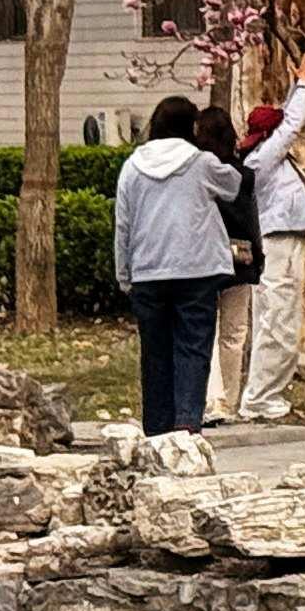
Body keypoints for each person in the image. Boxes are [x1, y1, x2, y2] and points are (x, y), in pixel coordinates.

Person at [112, 97, 247, 436]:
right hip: (197, 270)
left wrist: (123, 272)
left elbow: (123, 224)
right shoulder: (200, 163)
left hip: (148, 271)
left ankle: (157, 430)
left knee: (155, 353)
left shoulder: (133, 166)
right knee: (193, 348)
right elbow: (234, 184)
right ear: (192, 128)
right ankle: (187, 425)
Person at [230, 78, 305, 424]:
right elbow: (289, 126)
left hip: (286, 238)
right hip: (276, 241)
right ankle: (258, 398)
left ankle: (266, 394)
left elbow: (283, 124)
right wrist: (303, 84)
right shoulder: (261, 158)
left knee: (281, 319)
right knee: (276, 320)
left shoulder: (266, 155)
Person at [196, 102, 263, 423]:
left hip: (206, 260)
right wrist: (257, 259)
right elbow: (252, 222)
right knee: (235, 334)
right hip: (241, 258)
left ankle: (213, 400)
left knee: (205, 331)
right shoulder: (244, 175)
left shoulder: (199, 174)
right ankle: (232, 401)